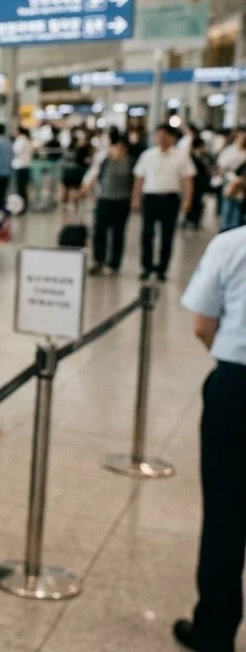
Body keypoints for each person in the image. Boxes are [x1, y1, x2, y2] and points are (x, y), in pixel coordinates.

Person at [175, 224, 246, 652]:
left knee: (225, 511)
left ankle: (215, 629)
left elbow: (203, 324)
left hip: (237, 387)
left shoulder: (231, 244)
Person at [132, 124, 195, 282]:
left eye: (164, 135)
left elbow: (187, 180)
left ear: (172, 138)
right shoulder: (148, 155)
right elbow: (139, 179)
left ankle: (162, 268)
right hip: (151, 197)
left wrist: (187, 200)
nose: (160, 139)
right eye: (158, 135)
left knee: (167, 235)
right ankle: (146, 267)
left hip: (170, 198)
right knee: (147, 234)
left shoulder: (181, 156)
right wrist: (136, 199)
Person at [83, 137, 134, 275]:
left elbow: (135, 183)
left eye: (120, 148)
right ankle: (99, 260)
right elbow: (95, 174)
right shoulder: (105, 161)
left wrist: (135, 200)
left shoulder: (130, 163)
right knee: (99, 231)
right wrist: (87, 188)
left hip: (121, 202)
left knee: (118, 233)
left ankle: (114, 263)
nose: (116, 150)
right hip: (104, 200)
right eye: (115, 147)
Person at [11, 128, 34, 212]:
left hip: (19, 166)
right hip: (27, 166)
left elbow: (15, 151)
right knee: (24, 188)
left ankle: (21, 207)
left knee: (20, 188)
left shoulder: (20, 141)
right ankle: (25, 205)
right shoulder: (28, 141)